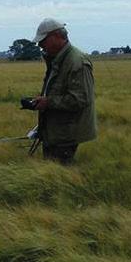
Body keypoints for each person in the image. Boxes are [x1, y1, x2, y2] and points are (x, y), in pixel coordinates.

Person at [31, 18, 96, 164]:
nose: (41, 45)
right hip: (56, 131)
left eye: (43, 41)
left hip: (66, 134)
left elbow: (80, 99)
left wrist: (48, 102)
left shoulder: (76, 62)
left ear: (56, 37)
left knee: (58, 175)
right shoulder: (58, 59)